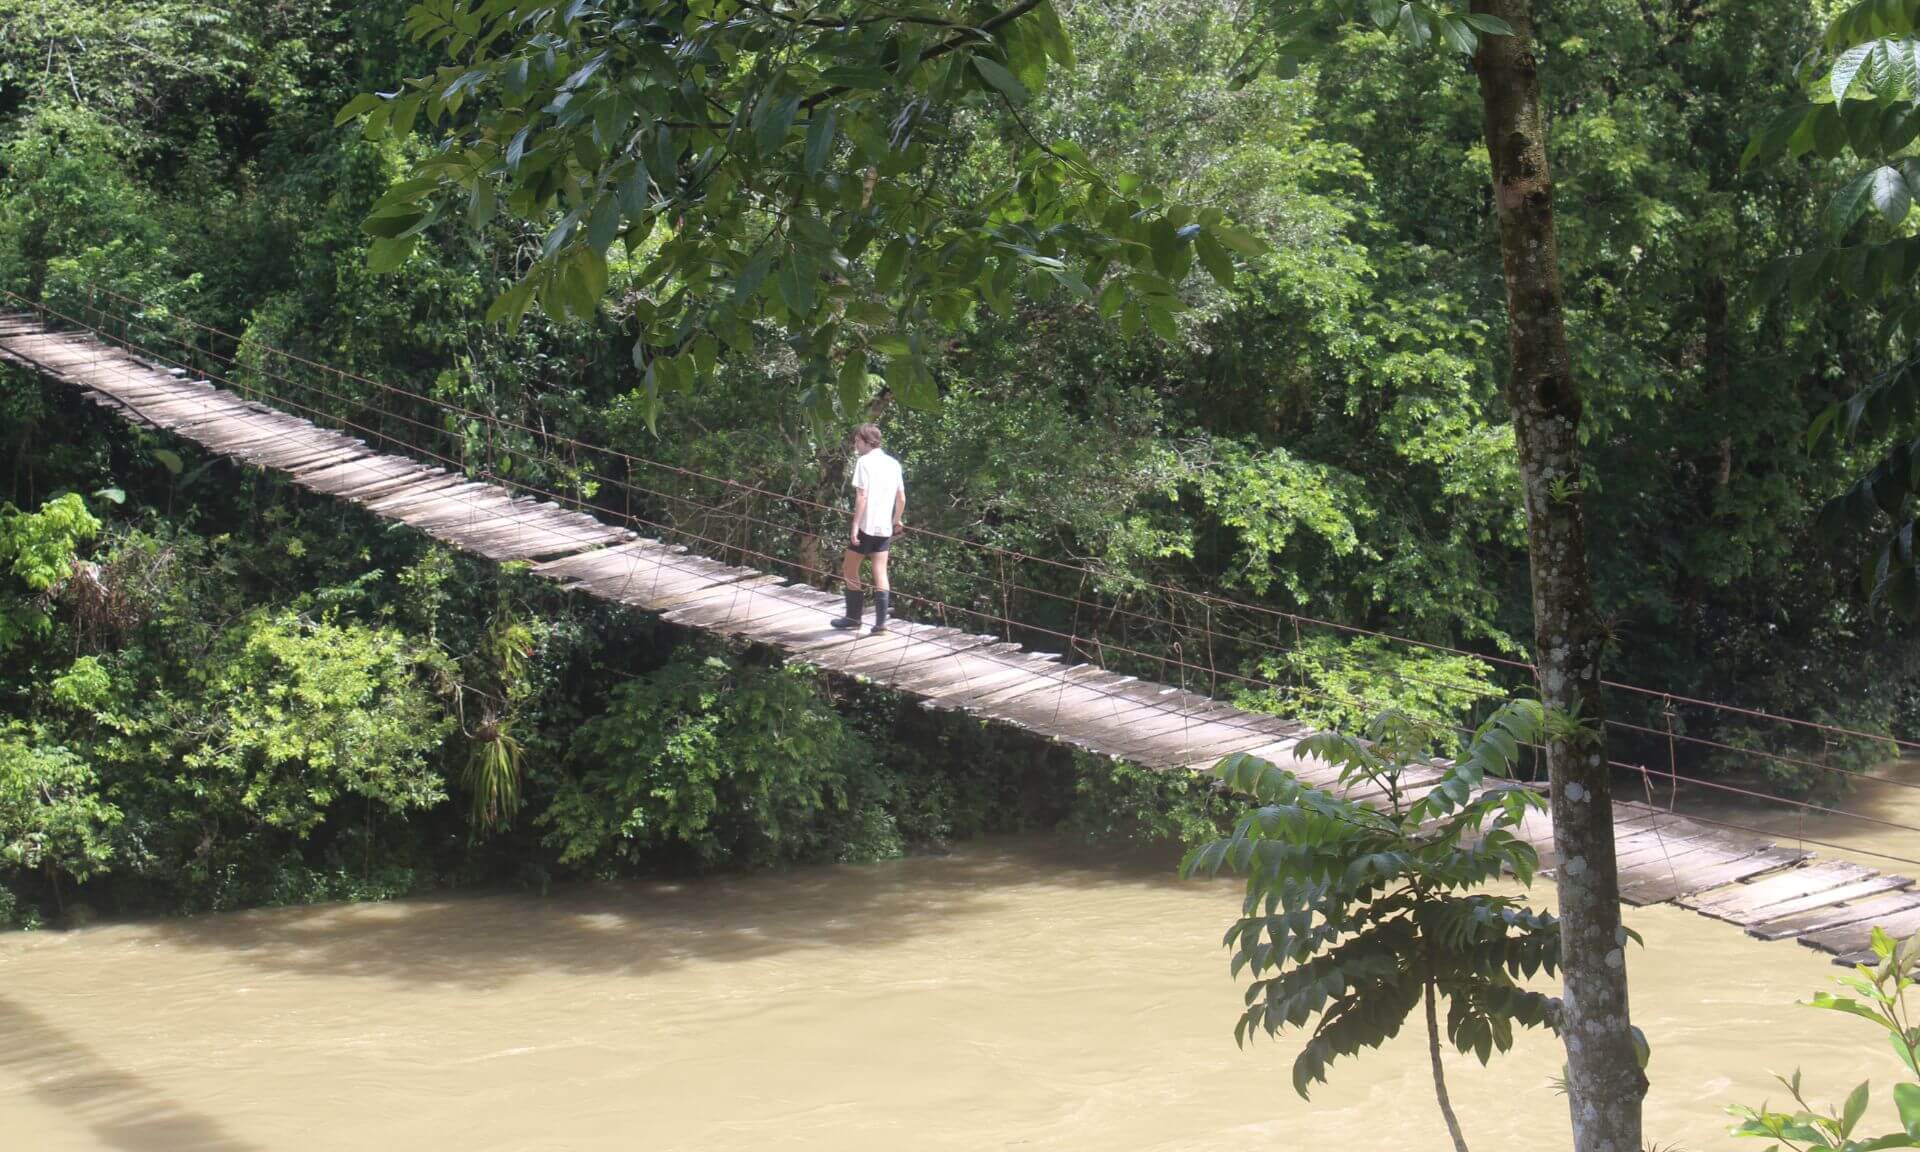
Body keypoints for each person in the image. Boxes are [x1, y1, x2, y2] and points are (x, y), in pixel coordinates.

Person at [832, 423, 904, 634]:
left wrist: (855, 526)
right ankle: (881, 624)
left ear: (865, 441)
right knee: (880, 573)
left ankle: (853, 618)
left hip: (866, 526)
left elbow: (862, 496)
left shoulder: (864, 462)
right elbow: (901, 498)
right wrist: (896, 520)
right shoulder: (894, 464)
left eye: (856, 441)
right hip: (884, 528)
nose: (855, 445)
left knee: (849, 569)